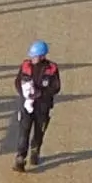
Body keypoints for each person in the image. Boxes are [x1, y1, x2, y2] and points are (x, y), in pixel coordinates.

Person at [11, 40, 62, 170]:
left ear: (42, 56)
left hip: (42, 107)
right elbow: (17, 82)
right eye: (32, 56)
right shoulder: (25, 66)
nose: (33, 59)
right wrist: (25, 92)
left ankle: (35, 150)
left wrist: (40, 93)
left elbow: (55, 87)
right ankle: (20, 157)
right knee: (24, 131)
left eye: (35, 56)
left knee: (39, 131)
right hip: (27, 106)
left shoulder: (52, 69)